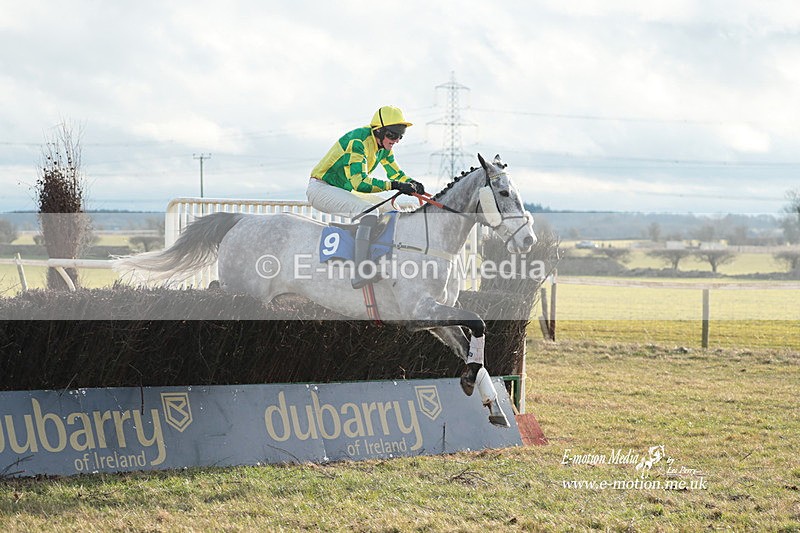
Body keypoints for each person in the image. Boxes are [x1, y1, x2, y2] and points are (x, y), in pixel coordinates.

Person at [307, 105, 425, 288]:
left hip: (343, 190)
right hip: (321, 189)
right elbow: (359, 182)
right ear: (379, 131)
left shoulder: (384, 147)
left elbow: (394, 173)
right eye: (393, 135)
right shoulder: (358, 141)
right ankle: (361, 270)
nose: (396, 140)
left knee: (392, 210)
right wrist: (394, 186)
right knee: (367, 210)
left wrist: (412, 183)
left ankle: (384, 258)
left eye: (400, 136)